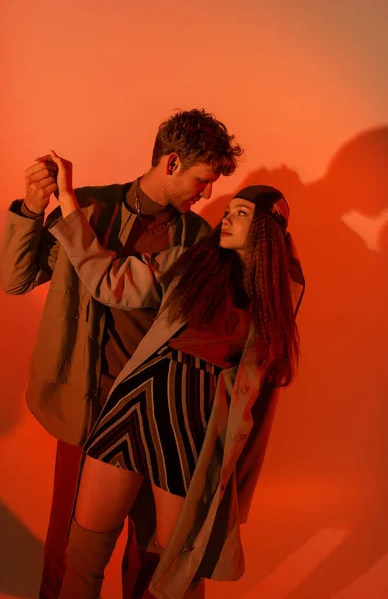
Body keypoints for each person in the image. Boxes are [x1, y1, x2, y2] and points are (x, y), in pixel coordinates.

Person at [0, 110, 243, 599]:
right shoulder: (87, 208)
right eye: (203, 179)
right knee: (69, 555)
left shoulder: (197, 240)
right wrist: (29, 207)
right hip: (82, 410)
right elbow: (15, 279)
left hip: (158, 417)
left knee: (151, 557)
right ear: (171, 162)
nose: (208, 194)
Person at [46, 150, 305, 599]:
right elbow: (109, 280)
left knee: (176, 571)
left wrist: (238, 488)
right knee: (84, 554)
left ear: (264, 232)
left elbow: (259, 410)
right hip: (131, 408)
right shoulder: (187, 262)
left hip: (188, 433)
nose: (224, 218)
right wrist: (68, 202)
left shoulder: (273, 308)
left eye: (240, 214)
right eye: (227, 210)